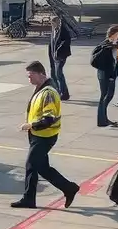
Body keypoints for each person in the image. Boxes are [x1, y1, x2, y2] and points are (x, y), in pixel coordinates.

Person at [11, 61, 79, 209]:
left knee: (31, 165)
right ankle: (69, 188)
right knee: (42, 167)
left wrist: (31, 125)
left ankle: (29, 199)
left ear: (41, 74)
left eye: (31, 76)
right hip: (39, 135)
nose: (29, 79)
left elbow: (49, 118)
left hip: (44, 136)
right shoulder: (41, 88)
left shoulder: (48, 93)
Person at [92, 27, 118, 128]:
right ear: (112, 34)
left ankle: (104, 118)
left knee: (108, 95)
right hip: (105, 75)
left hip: (109, 74)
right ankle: (101, 120)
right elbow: (105, 61)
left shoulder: (113, 45)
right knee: (105, 96)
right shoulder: (106, 45)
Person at [49, 15, 72, 100]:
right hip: (54, 56)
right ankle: (58, 91)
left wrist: (58, 51)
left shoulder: (63, 31)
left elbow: (66, 41)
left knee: (59, 74)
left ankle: (65, 93)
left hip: (61, 56)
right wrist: (51, 55)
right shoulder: (54, 31)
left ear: (57, 23)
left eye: (53, 23)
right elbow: (51, 44)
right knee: (54, 74)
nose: (52, 25)